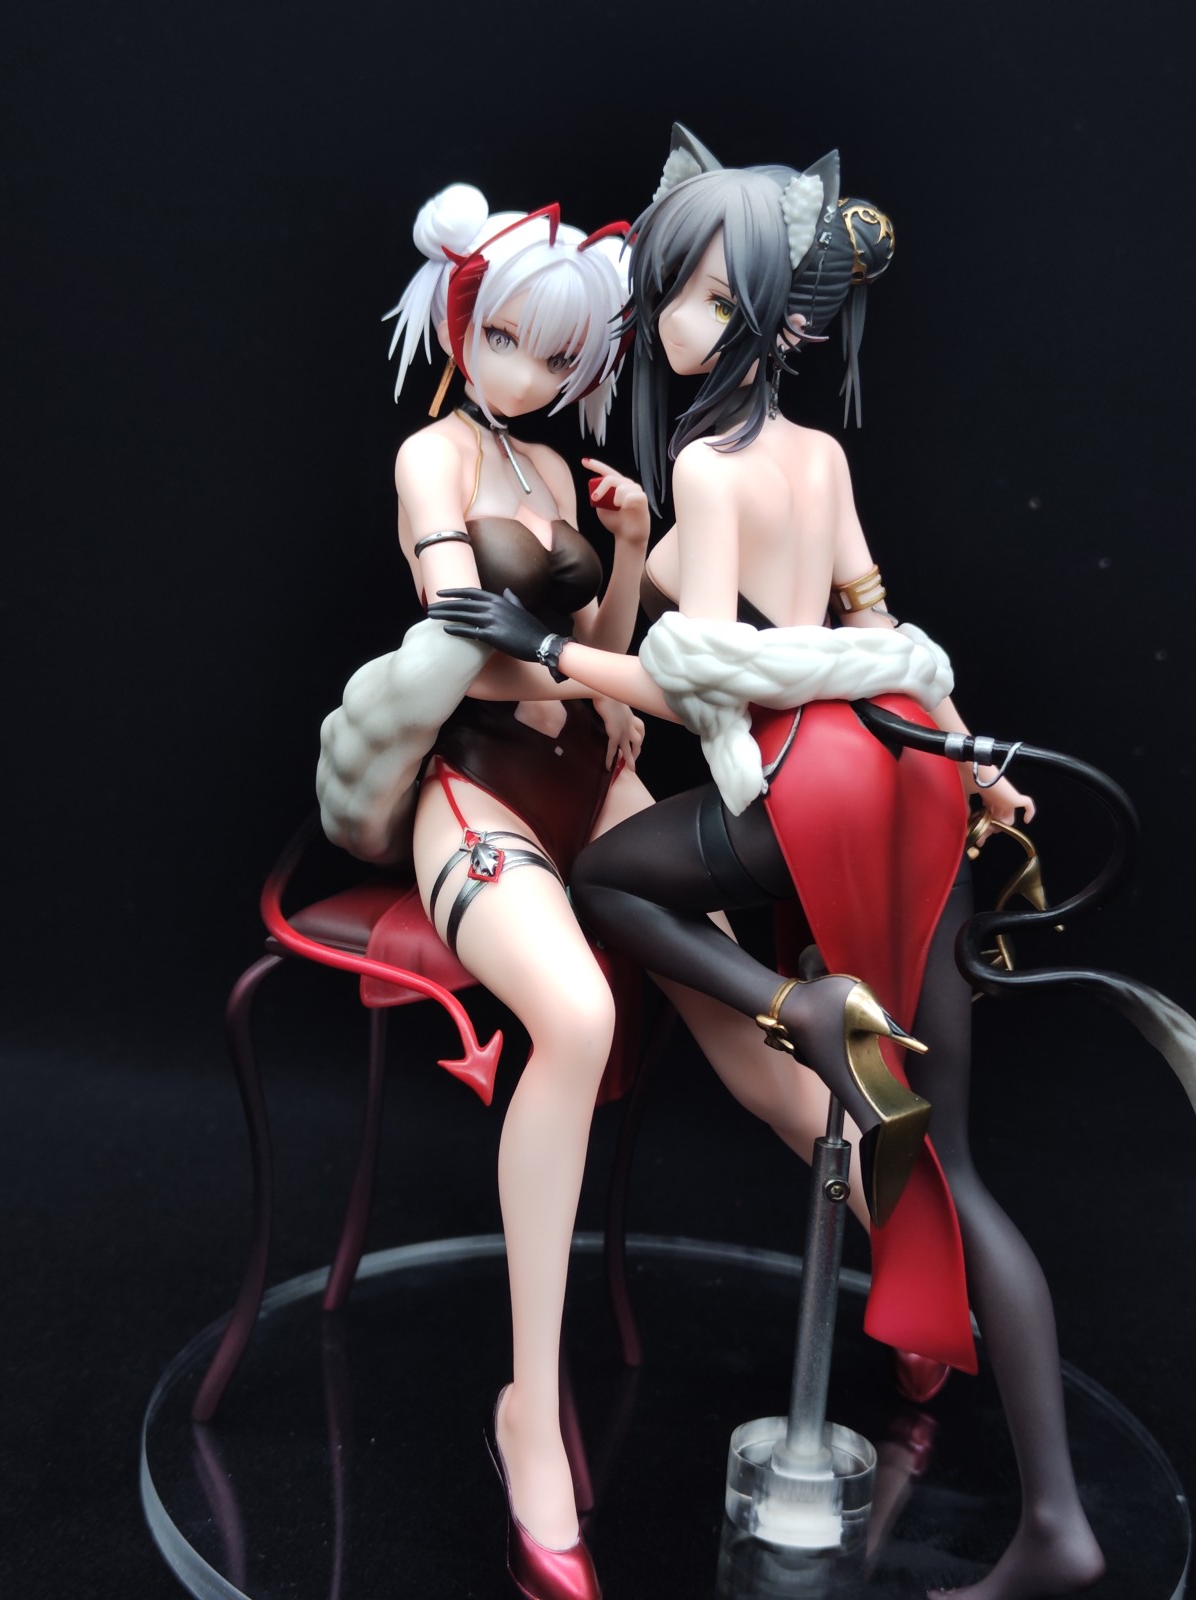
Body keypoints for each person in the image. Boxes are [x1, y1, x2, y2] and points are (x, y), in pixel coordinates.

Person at [430, 129, 1107, 1599]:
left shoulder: (712, 461)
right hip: (911, 772)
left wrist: (552, 652)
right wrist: (973, 761)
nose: (671, 320)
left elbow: (702, 683)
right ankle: (1056, 1518)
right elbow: (882, 626)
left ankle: (793, 1007)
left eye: (697, 295)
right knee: (951, 1160)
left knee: (615, 888)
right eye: (673, 292)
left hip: (812, 781)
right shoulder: (822, 457)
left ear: (759, 319)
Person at [321, 180, 880, 1600]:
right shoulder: (434, 458)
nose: (530, 373)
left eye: (562, 353)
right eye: (507, 339)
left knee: (757, 1034)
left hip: (595, 775)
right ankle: (530, 1408)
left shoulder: (566, 473)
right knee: (572, 1016)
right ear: (461, 323)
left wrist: (624, 552)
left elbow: (607, 640)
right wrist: (596, 677)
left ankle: (924, 1268)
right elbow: (464, 640)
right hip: (477, 787)